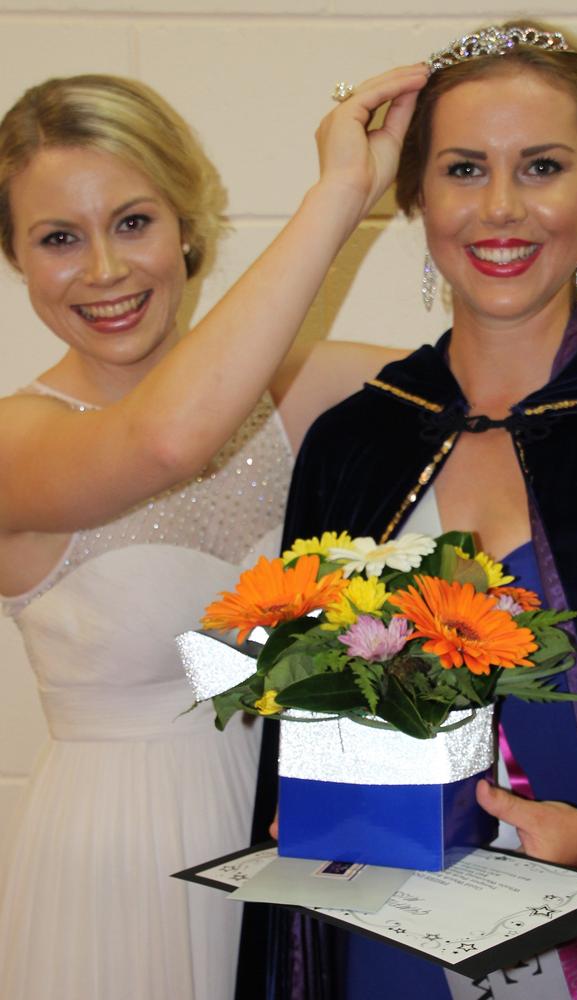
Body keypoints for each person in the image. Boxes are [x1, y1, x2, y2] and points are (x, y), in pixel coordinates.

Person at [0, 67, 431, 1000]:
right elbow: (164, 439)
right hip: (122, 875)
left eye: (133, 221)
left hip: (288, 840)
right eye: (59, 238)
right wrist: (339, 195)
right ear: (16, 259)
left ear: (187, 225)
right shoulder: (15, 444)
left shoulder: (286, 392)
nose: (106, 271)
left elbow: (527, 384)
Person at [274, 23, 577, 1000]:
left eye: (540, 166)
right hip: (384, 946)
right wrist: (306, 809)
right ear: (415, 194)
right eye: (460, 168)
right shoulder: (355, 444)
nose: (498, 208)